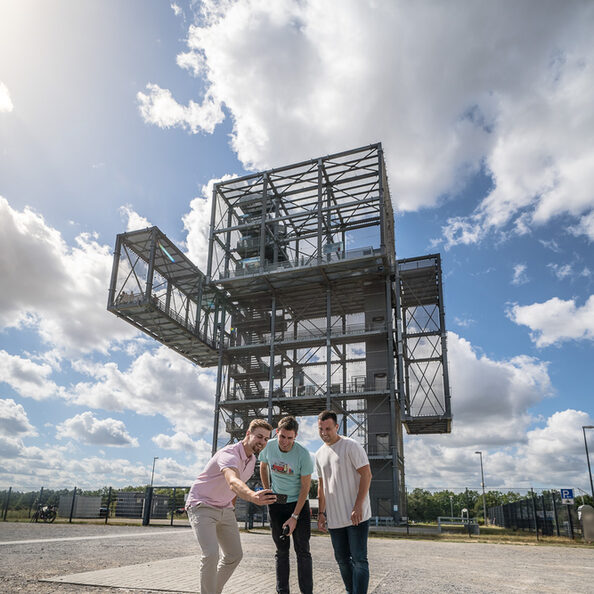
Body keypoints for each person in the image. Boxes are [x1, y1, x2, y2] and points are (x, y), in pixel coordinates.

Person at [186, 419, 277, 594]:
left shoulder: (251, 461)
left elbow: (235, 490)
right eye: (259, 436)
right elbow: (233, 482)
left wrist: (231, 510)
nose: (262, 442)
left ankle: (213, 591)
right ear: (248, 434)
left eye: (266, 439)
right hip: (202, 505)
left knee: (234, 555)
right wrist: (252, 495)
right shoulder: (229, 454)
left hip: (225, 508)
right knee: (211, 554)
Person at [315, 410, 372, 594]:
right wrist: (321, 513)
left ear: (336, 427)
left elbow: (367, 474)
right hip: (335, 519)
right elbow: (322, 486)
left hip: (356, 516)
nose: (324, 432)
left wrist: (358, 506)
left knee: (359, 560)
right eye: (321, 429)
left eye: (328, 428)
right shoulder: (319, 454)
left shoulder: (351, 446)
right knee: (341, 559)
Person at [259, 415, 314, 594]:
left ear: (295, 436)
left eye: (290, 438)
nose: (285, 441)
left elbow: (306, 487)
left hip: (298, 504)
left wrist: (295, 517)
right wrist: (268, 491)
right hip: (277, 503)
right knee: (281, 552)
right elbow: (263, 465)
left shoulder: (303, 454)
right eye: (282, 437)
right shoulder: (269, 446)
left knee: (302, 551)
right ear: (277, 433)